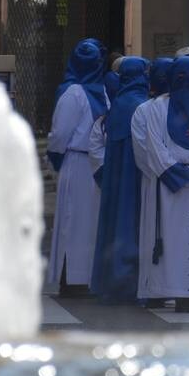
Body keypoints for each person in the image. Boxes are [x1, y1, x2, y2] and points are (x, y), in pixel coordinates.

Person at [132, 55, 189, 312]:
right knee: (172, 240)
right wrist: (180, 175)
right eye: (180, 77)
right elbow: (154, 145)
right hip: (171, 185)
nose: (187, 82)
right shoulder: (158, 107)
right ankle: (176, 291)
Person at [46, 38, 109, 295]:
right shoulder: (87, 92)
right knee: (77, 222)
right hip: (83, 161)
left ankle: (80, 277)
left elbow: (60, 133)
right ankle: (73, 277)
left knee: (82, 223)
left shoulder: (85, 92)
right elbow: (62, 134)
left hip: (86, 162)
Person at [89, 56, 150, 302]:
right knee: (134, 224)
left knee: (117, 224)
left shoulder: (118, 103)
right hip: (135, 175)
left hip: (117, 176)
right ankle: (131, 281)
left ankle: (114, 281)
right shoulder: (141, 104)